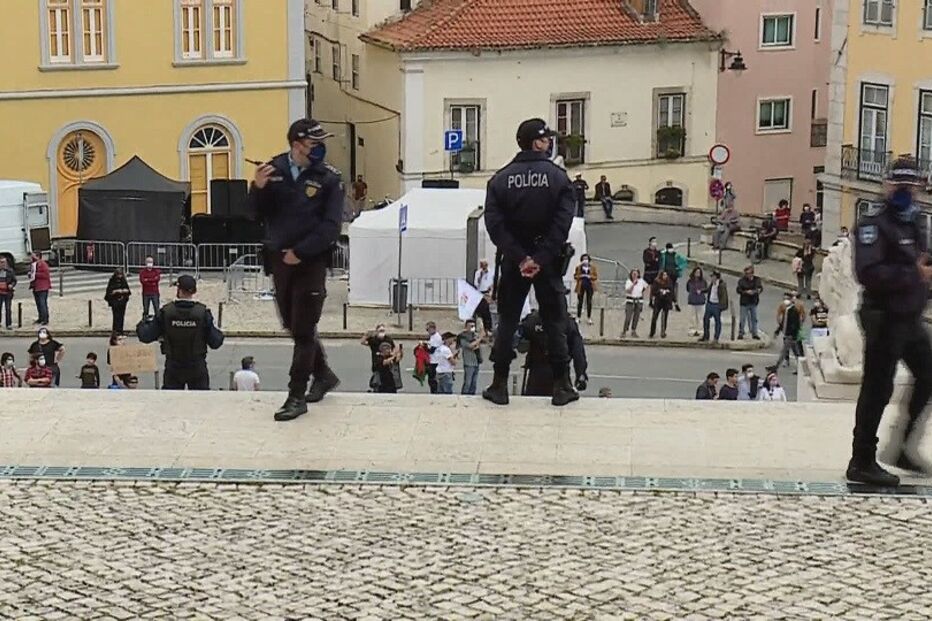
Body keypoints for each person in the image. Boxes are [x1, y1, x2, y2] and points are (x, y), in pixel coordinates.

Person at [249, 119, 343, 421]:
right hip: (279, 259)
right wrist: (258, 188)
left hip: (310, 261)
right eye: (314, 144)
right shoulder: (274, 170)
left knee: (303, 330)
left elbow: (331, 227)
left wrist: (301, 253)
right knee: (291, 323)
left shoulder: (329, 179)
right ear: (297, 145)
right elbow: (256, 214)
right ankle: (324, 374)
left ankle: (296, 395)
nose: (320, 149)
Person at [848, 156, 932, 486]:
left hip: (909, 316)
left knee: (928, 373)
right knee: (877, 389)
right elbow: (867, 272)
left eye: (911, 186)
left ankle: (902, 447)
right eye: (900, 185)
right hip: (883, 316)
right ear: (887, 186)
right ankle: (862, 460)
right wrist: (914, 273)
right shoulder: (873, 224)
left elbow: (923, 261)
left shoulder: (916, 221)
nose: (906, 192)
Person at [483, 118, 577, 407]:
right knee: (554, 321)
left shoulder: (500, 179)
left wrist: (520, 257)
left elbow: (495, 225)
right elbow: (563, 224)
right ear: (536, 142)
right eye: (546, 139)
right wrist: (541, 257)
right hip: (547, 261)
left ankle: (499, 384)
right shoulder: (559, 178)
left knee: (508, 322)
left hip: (514, 261)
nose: (549, 143)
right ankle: (562, 385)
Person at [136, 275, 224, 391]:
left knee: (171, 403)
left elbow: (146, 336)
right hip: (197, 365)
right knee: (201, 403)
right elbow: (215, 342)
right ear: (194, 291)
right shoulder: (202, 313)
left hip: (174, 366)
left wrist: (141, 324)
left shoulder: (166, 312)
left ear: (178, 289)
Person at [774, 292, 803, 373]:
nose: (785, 301)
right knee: (795, 352)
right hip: (788, 334)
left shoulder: (794, 311)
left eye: (787, 299)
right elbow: (783, 322)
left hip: (791, 335)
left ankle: (775, 367)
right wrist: (778, 331)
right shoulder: (787, 310)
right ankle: (800, 367)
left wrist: (794, 335)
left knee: (784, 351)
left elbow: (796, 324)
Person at [700, 270, 728, 343]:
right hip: (710, 304)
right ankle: (706, 336)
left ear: (716, 277)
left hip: (716, 305)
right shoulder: (712, 284)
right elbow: (708, 290)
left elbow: (724, 297)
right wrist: (701, 291)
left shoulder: (721, 285)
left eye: (712, 276)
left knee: (717, 321)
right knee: (705, 319)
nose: (711, 278)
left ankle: (716, 337)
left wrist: (721, 307)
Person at [736, 266, 763, 340]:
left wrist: (755, 291)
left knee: (754, 319)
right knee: (742, 319)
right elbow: (738, 290)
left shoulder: (757, 280)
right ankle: (741, 333)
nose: (747, 275)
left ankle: (754, 333)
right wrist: (746, 292)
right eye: (746, 273)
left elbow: (760, 288)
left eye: (749, 273)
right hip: (744, 302)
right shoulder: (742, 281)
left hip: (753, 302)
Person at [457, 319, 483, 395]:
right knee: (467, 382)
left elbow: (477, 346)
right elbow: (470, 346)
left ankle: (472, 396)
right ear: (466, 327)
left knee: (474, 383)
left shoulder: (475, 336)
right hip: (468, 362)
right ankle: (464, 396)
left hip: (476, 361)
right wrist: (479, 338)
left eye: (473, 326)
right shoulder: (462, 336)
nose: (472, 328)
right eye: (470, 326)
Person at [621, 269, 647, 338]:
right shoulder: (628, 281)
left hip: (638, 301)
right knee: (628, 317)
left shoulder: (641, 281)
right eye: (633, 274)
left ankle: (633, 330)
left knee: (636, 317)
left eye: (636, 274)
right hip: (630, 300)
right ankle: (624, 331)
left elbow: (645, 287)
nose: (635, 275)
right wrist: (633, 284)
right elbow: (628, 291)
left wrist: (641, 294)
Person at [573, 254, 598, 325]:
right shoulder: (578, 267)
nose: (585, 260)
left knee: (589, 301)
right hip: (581, 286)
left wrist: (590, 276)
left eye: (586, 259)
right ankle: (578, 317)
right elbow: (575, 276)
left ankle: (589, 317)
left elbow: (595, 276)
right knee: (580, 302)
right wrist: (580, 276)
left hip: (590, 285)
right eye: (584, 259)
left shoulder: (592, 267)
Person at [104, 269, 131, 334]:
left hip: (122, 301)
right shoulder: (112, 281)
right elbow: (109, 291)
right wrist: (115, 291)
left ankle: (120, 330)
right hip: (115, 301)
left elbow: (128, 290)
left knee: (121, 316)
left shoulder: (123, 280)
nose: (119, 276)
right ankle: (115, 330)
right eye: (118, 274)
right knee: (116, 316)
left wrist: (124, 291)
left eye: (121, 275)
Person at [649, 271, 674, 339]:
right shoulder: (657, 282)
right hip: (658, 302)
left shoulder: (669, 282)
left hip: (666, 302)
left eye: (666, 275)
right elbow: (653, 291)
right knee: (654, 317)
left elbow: (671, 291)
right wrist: (660, 291)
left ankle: (663, 332)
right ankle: (652, 332)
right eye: (663, 275)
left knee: (664, 318)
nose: (665, 276)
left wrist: (667, 293)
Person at [659, 242, 683, 311]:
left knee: (671, 289)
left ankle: (672, 303)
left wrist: (678, 268)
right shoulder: (664, 255)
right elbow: (662, 265)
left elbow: (681, 263)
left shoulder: (675, 255)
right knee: (670, 289)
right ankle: (674, 303)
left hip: (674, 275)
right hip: (667, 275)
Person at [473, 259, 495, 334]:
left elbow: (493, 282)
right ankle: (481, 327)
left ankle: (488, 328)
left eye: (484, 264)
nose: (483, 266)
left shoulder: (491, 272)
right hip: (480, 292)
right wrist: (481, 275)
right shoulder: (478, 273)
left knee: (487, 311)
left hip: (488, 292)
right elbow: (476, 283)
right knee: (480, 311)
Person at [29, 252, 51, 325]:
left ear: (38, 256)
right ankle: (41, 318)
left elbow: (45, 275)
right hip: (36, 287)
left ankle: (45, 319)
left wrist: (34, 274)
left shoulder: (43, 264)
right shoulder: (34, 264)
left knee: (42, 303)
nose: (31, 258)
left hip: (42, 287)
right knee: (38, 303)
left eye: (33, 256)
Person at [685, 267, 708, 337]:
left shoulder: (703, 281)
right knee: (692, 317)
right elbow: (688, 289)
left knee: (700, 317)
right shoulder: (690, 281)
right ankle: (692, 330)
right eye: (696, 272)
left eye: (699, 272)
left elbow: (706, 289)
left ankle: (700, 330)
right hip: (692, 301)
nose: (697, 274)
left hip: (701, 301)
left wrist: (701, 291)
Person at [423, 321, 444, 394]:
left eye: (428, 329)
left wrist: (424, 347)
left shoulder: (437, 338)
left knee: (432, 379)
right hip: (432, 360)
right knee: (431, 379)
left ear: (432, 329)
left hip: (435, 361)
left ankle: (435, 392)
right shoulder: (432, 337)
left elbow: (431, 350)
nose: (427, 331)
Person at [0, 256, 16, 330]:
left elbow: (14, 280)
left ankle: (8, 324)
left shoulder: (10, 271)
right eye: (1, 262)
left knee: (8, 308)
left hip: (8, 293)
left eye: (4, 262)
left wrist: (11, 285)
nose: (2, 264)